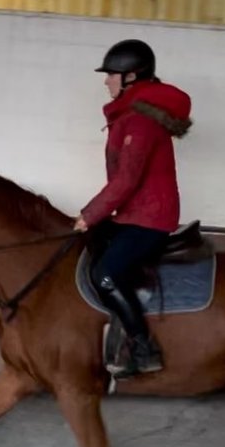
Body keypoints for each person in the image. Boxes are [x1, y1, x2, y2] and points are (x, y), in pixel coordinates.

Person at [74, 39, 192, 378]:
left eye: (111, 74)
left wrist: (89, 215)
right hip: (132, 214)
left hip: (150, 220)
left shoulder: (140, 121)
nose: (106, 81)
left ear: (131, 76)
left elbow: (126, 180)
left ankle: (144, 346)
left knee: (105, 275)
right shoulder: (129, 115)